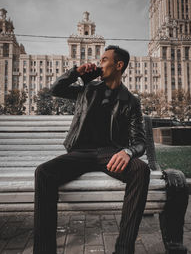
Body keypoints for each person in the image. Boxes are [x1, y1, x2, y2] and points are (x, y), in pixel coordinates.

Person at [33, 45, 150, 254]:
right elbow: (55, 89)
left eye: (104, 59)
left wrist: (128, 152)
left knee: (141, 170)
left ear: (119, 65)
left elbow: (140, 141)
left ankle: (124, 249)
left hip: (110, 154)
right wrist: (76, 73)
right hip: (80, 153)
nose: (99, 63)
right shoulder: (88, 89)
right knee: (43, 172)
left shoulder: (131, 102)